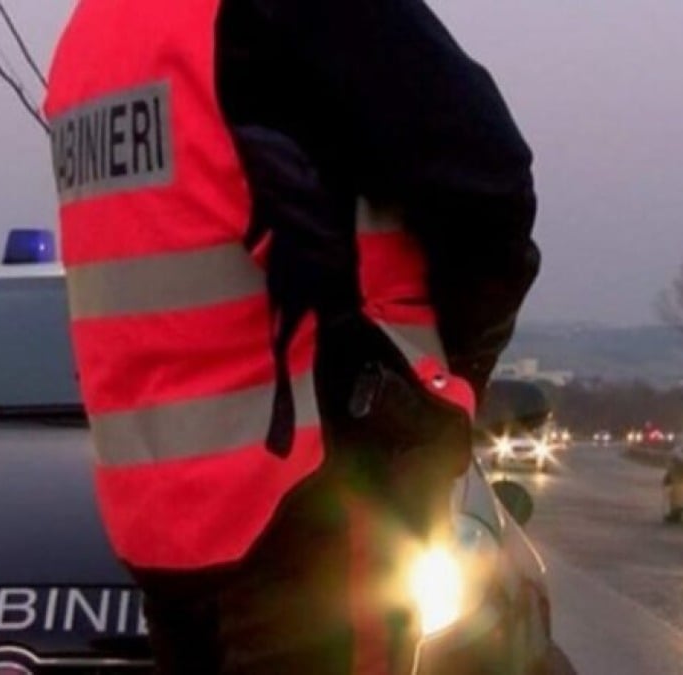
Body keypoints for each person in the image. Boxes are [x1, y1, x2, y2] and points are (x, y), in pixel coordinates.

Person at [43, 1, 538, 673]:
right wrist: (446, 383)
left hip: (163, 533)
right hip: (317, 504)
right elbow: (490, 184)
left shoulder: (90, 32)